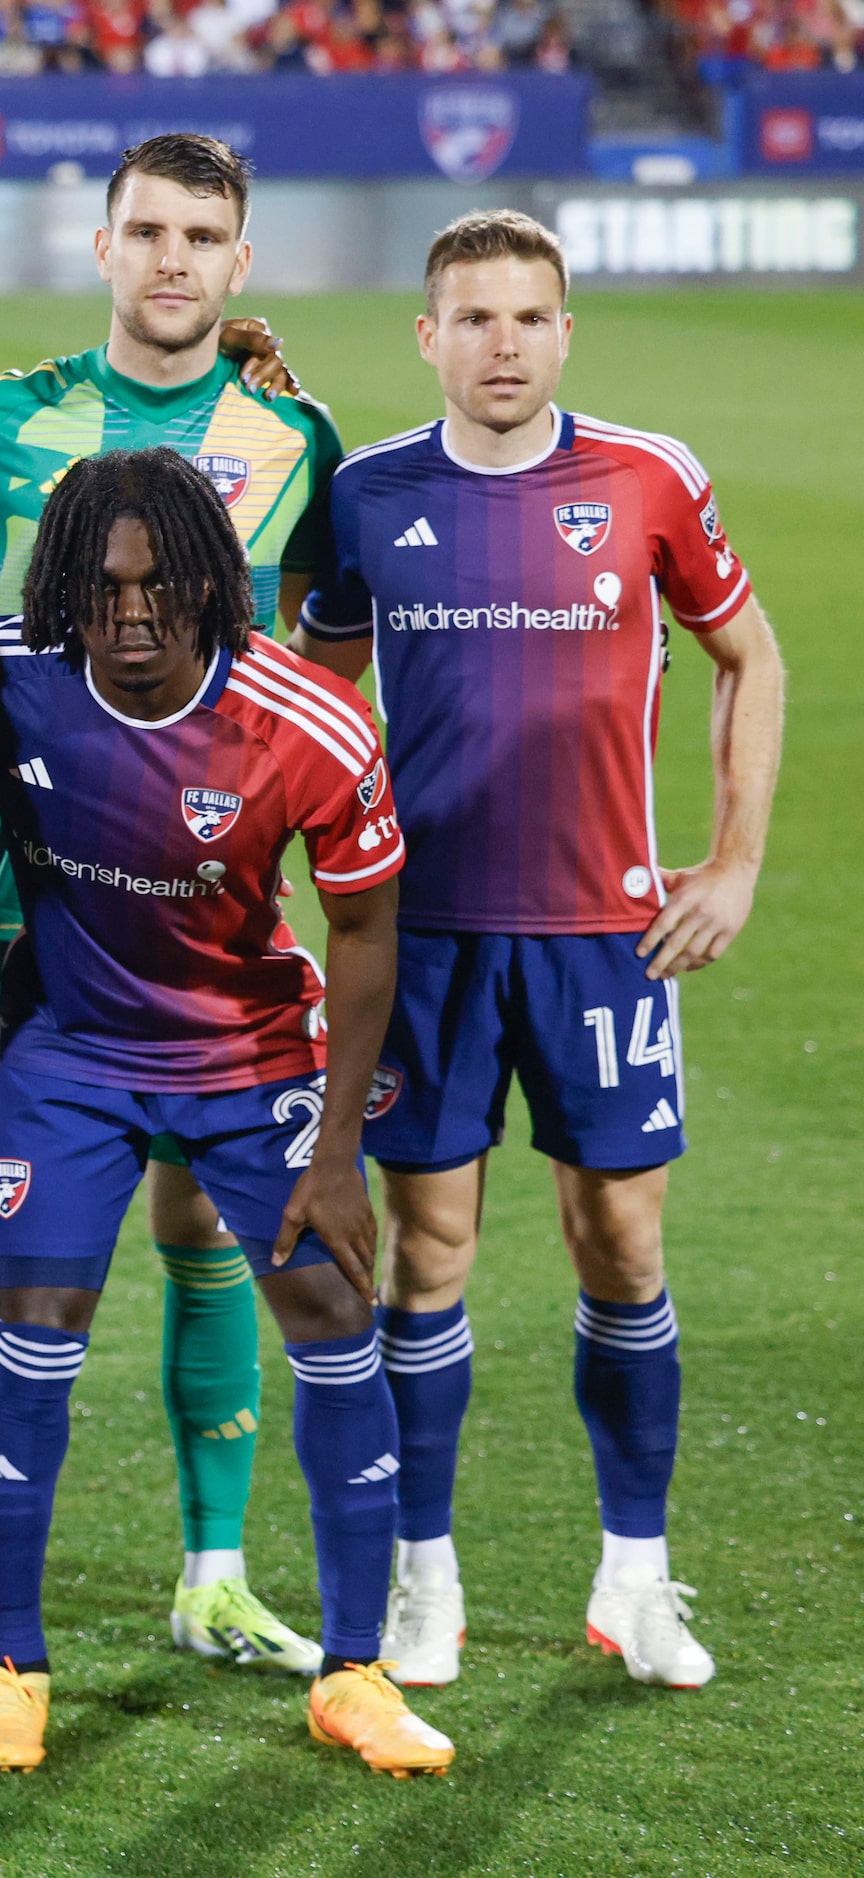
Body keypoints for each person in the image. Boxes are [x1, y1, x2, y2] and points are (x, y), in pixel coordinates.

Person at [0, 132, 343, 1692]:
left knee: (210, 1228)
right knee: (18, 1240)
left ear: (238, 264)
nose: (172, 258)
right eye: (147, 231)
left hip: (222, 905)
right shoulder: (5, 422)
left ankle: (215, 1574)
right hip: (29, 906)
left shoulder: (296, 433)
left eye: (202, 235)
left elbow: (327, 658)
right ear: (101, 246)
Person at [295, 210, 785, 1693]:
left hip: (605, 939)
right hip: (424, 939)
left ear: (565, 331)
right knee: (428, 1257)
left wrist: (738, 860)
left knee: (622, 1242)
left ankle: (634, 1577)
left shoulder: (648, 477)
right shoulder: (368, 493)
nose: (502, 344)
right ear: (428, 335)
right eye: (474, 318)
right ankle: (424, 1582)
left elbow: (747, 652)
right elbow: (313, 696)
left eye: (528, 317)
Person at [0, 448, 448, 1778]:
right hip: (76, 1055)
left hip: (251, 1054)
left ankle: (354, 1670)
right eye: (106, 587)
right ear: (64, 590)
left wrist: (339, 1157)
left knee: (335, 1318)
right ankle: (13, 1658)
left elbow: (369, 931)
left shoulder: (313, 724)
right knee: (32, 1331)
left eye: (167, 585)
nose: (137, 612)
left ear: (218, 582)